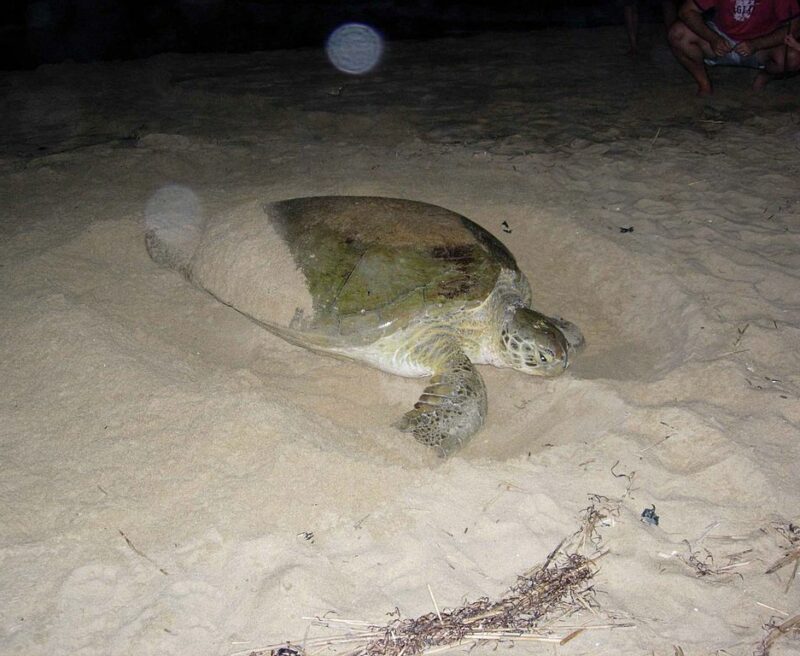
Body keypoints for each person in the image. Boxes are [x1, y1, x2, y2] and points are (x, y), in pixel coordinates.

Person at [668, 0, 800, 94]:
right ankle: (704, 85)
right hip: (721, 36)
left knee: (793, 58)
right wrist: (712, 38)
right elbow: (687, 11)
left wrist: (757, 44)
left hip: (763, 46)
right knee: (678, 34)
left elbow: (795, 27)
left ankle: (764, 77)